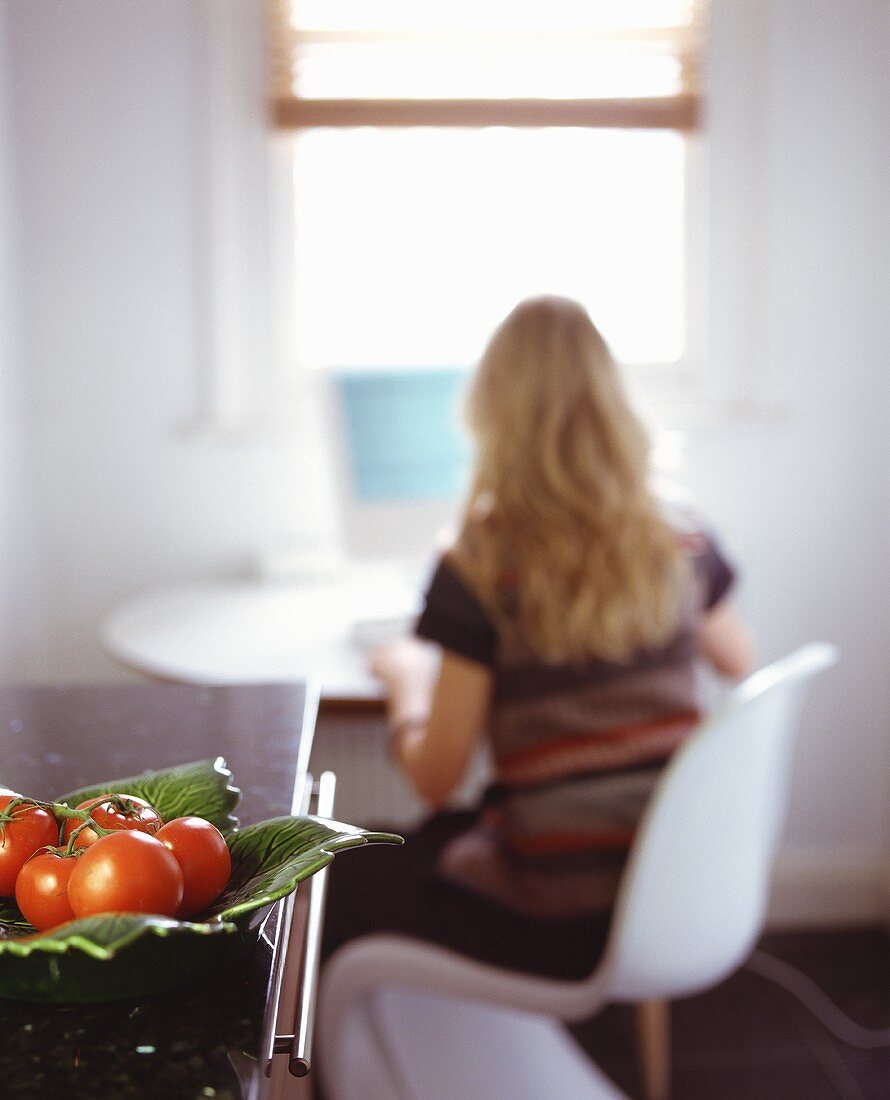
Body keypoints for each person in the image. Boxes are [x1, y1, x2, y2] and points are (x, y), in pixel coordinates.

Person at [322, 295, 754, 981]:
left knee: (326, 880)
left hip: (550, 910)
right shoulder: (679, 533)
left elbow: (436, 780)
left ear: (494, 416)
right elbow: (740, 661)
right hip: (666, 886)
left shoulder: (482, 563)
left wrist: (409, 683)